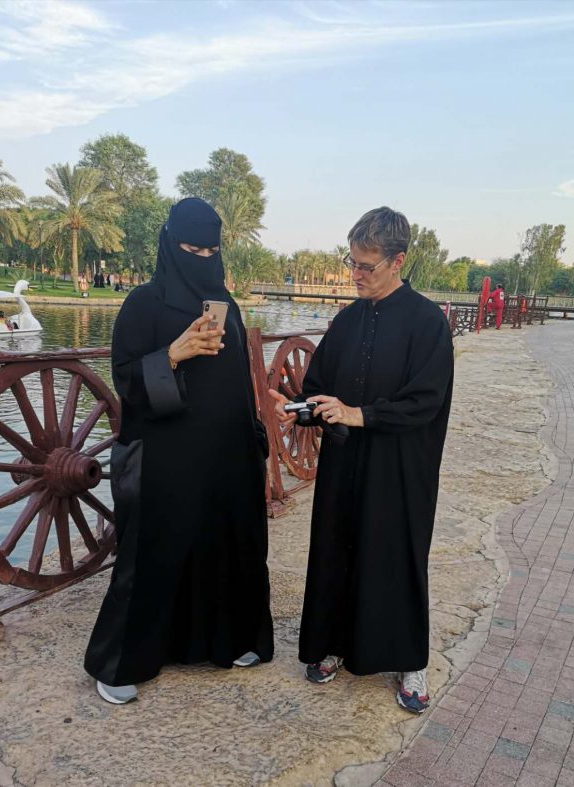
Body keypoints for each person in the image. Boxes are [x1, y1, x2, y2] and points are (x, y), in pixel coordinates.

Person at [85, 198, 273, 704]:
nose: (203, 257)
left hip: (225, 453)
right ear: (171, 244)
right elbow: (125, 377)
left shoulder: (226, 307)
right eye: (193, 248)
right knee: (156, 548)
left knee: (225, 542)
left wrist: (252, 438)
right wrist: (173, 353)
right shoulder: (143, 304)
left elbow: (237, 383)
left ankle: (224, 641)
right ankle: (122, 660)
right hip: (166, 452)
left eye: (212, 249)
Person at [269, 207, 454, 714]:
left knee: (397, 555)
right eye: (351, 262)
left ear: (398, 261)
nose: (354, 275)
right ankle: (330, 644)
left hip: (400, 467)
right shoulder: (347, 319)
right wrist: (305, 411)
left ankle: (408, 658)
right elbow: (319, 384)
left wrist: (356, 413)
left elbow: (425, 401)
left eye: (366, 266)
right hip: (345, 465)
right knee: (336, 548)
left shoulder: (426, 323)